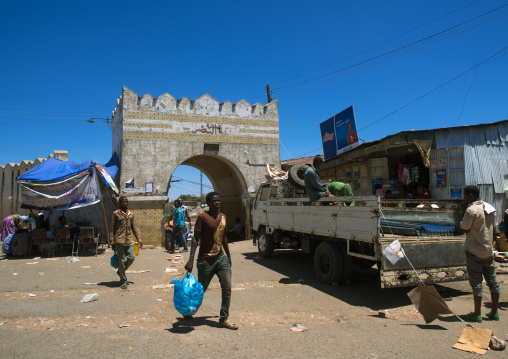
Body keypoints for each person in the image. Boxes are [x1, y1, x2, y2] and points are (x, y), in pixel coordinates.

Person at [184, 191, 238, 330]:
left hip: (221, 259)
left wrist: (229, 256)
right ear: (208, 203)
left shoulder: (223, 217)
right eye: (214, 201)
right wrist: (191, 260)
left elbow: (224, 237)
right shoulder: (203, 217)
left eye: (219, 200)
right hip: (205, 261)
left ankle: (224, 318)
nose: (217, 203)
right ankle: (188, 310)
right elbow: (195, 238)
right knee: (200, 290)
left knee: (227, 288)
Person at [460, 185, 500, 322]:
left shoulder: (471, 210)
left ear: (471, 196)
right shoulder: (489, 207)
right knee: (493, 282)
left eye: (465, 195)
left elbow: (465, 228)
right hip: (488, 251)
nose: (464, 197)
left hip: (474, 251)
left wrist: (463, 212)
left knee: (477, 283)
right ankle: (494, 312)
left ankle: (477, 314)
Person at [110, 196, 143, 289]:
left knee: (131, 257)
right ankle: (123, 280)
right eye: (124, 202)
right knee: (121, 260)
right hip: (119, 240)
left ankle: (121, 271)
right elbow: (112, 228)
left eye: (127, 202)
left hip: (129, 240)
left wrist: (139, 239)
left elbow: (135, 227)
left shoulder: (130, 214)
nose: (126, 203)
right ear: (119, 203)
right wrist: (112, 242)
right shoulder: (116, 214)